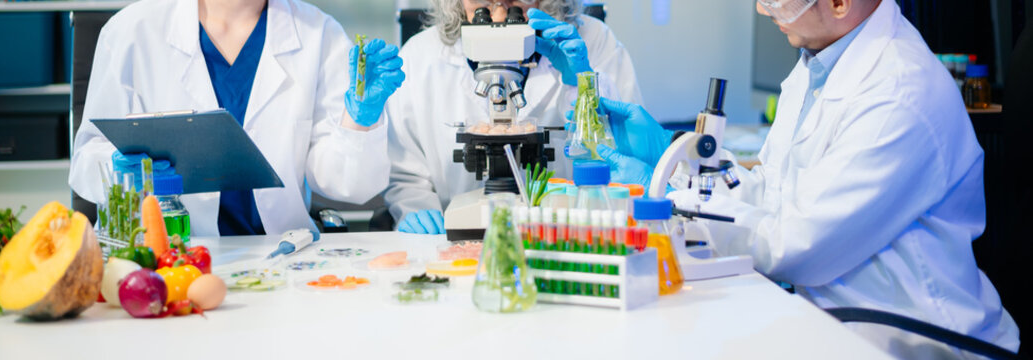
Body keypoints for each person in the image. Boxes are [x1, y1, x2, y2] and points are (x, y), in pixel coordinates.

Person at [601, 0, 1020, 358]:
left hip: (914, 339)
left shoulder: (899, 93)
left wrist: (673, 195)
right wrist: (675, 156)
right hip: (833, 324)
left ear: (839, 3)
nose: (764, 8)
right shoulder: (820, 64)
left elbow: (795, 245)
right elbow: (773, 190)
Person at [69, 0, 405, 237]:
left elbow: (348, 184)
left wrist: (360, 121)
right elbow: (86, 162)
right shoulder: (131, 31)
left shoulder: (319, 34)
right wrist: (122, 169)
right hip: (161, 253)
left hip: (281, 256)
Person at [386, 0, 643, 234]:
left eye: (513, 5)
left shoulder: (595, 41)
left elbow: (634, 153)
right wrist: (417, 210)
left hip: (568, 231)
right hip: (454, 239)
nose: (498, 15)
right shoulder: (420, 56)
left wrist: (584, 85)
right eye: (483, 3)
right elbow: (407, 173)